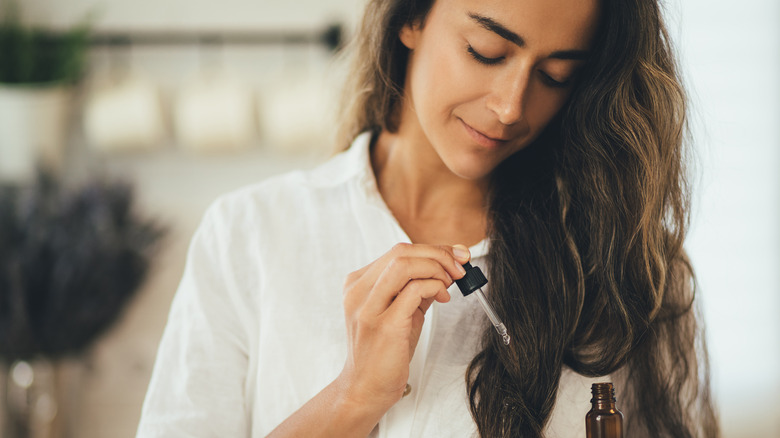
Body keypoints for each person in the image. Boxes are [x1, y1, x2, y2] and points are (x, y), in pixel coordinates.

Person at [136, 0, 720, 436]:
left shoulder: (629, 271)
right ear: (410, 18)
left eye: (555, 76)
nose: (511, 106)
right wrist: (352, 398)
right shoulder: (250, 234)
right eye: (486, 52)